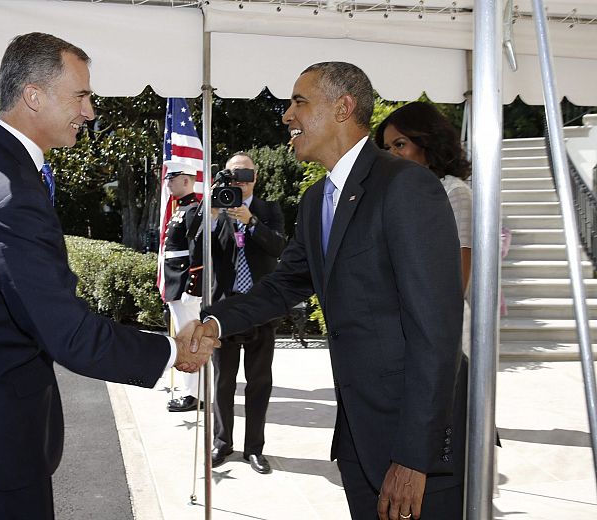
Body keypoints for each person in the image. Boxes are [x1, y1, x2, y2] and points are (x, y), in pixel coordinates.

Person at [0, 32, 216, 520]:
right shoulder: (10, 193)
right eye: (81, 95)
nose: (90, 111)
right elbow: (70, 334)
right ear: (33, 95)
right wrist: (174, 349)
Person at [190, 62, 466, 519]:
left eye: (300, 101)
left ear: (343, 107)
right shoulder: (319, 198)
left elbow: (436, 330)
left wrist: (415, 455)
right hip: (358, 439)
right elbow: (284, 285)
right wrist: (216, 322)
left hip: (411, 446)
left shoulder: (405, 186)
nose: (286, 115)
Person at [206, 152, 286, 475]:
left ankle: (254, 448)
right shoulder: (216, 207)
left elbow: (280, 247)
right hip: (226, 309)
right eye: (233, 174)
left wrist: (250, 222)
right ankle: (222, 442)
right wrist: (212, 214)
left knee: (259, 382)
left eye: (246, 174)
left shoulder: (269, 209)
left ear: (256, 177)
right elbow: (200, 247)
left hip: (261, 309)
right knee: (223, 381)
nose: (240, 180)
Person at [375, 101, 473, 355]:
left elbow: (457, 281)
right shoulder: (393, 196)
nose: (391, 154)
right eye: (386, 148)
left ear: (427, 144)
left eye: (400, 144)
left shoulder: (455, 192)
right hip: (395, 332)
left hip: (438, 332)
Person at [161, 159, 204, 413]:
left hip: (185, 288)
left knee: (190, 342)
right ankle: (191, 390)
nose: (168, 182)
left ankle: (194, 394)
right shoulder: (181, 210)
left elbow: (196, 252)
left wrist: (192, 287)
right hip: (176, 286)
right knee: (183, 339)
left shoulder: (193, 211)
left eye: (172, 178)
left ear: (186, 180)